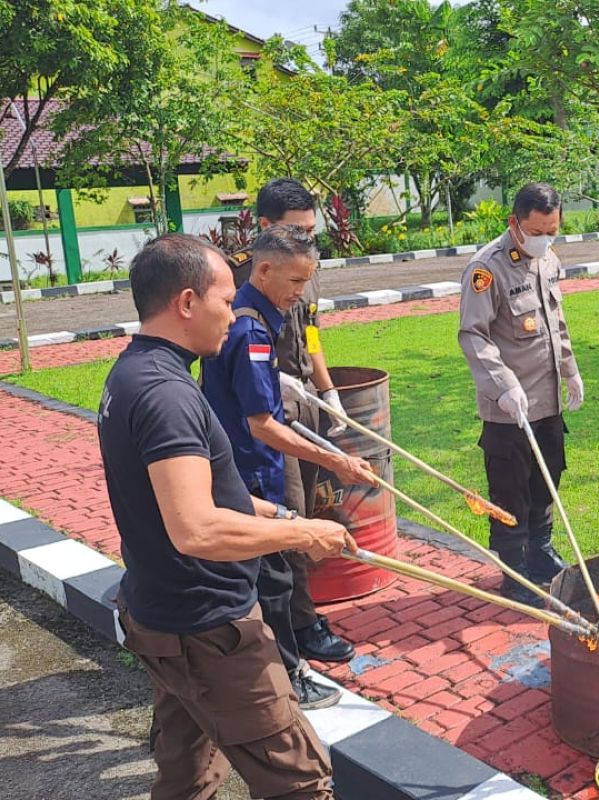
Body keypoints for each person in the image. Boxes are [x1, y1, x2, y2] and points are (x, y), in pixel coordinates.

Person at [98, 233, 355, 799]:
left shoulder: (134, 374)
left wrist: (279, 512)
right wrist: (300, 530)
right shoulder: (166, 395)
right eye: (224, 296)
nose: (232, 310)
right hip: (209, 628)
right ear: (187, 303)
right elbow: (196, 528)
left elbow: (202, 495)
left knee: (189, 775)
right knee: (300, 782)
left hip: (163, 615)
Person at [201, 225, 376, 710]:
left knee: (266, 574)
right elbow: (261, 425)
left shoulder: (254, 314)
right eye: (296, 282)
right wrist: (335, 459)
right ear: (264, 269)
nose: (301, 292)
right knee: (273, 577)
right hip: (251, 467)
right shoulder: (252, 328)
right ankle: (285, 677)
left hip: (244, 463)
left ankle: (276, 663)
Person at [232, 178, 357, 665]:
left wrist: (327, 392)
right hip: (269, 413)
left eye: (312, 231)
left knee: (309, 509)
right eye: (297, 230)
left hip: (302, 402)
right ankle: (298, 627)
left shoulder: (301, 268)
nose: (308, 240)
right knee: (289, 516)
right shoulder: (250, 281)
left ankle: (301, 616)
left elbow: (311, 333)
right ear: (266, 230)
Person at [458, 182, 583, 605]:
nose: (546, 238)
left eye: (553, 229)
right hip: (508, 405)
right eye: (538, 230)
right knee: (510, 487)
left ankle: (540, 549)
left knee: (547, 475)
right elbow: (472, 335)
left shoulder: (548, 260)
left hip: (545, 399)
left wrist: (570, 372)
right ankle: (514, 569)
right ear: (515, 224)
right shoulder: (486, 268)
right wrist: (503, 384)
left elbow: (556, 324)